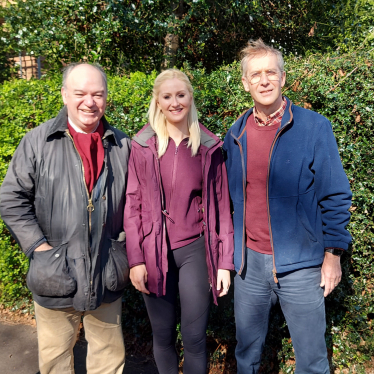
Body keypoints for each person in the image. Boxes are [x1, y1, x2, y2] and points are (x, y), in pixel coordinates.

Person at [222, 39, 352, 373]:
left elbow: (335, 194)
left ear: (282, 77)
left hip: (302, 267)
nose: (263, 80)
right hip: (249, 267)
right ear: (245, 83)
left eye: (270, 73)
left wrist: (333, 255)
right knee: (246, 355)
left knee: (311, 359)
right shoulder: (235, 135)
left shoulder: (313, 127)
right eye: (255, 75)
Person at [0, 63, 131, 374]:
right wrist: (41, 249)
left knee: (109, 364)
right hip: (54, 276)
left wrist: (122, 249)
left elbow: (136, 206)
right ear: (64, 95)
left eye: (98, 94)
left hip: (106, 275)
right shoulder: (37, 142)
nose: (90, 101)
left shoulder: (123, 145)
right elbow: (11, 199)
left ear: (106, 97)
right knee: (56, 363)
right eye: (80, 93)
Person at [123, 69, 234, 374]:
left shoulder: (209, 147)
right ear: (157, 101)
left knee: (196, 338)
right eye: (167, 96)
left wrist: (224, 262)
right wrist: (135, 260)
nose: (175, 102)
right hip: (152, 254)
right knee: (162, 336)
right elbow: (132, 206)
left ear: (190, 98)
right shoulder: (142, 146)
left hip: (194, 252)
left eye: (181, 95)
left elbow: (222, 206)